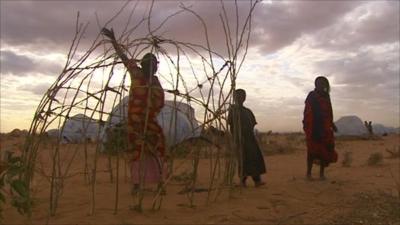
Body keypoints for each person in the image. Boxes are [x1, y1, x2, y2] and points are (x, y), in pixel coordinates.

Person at [102, 28, 166, 191]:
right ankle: (137, 184)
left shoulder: (156, 81)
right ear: (143, 65)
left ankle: (159, 182)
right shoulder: (136, 73)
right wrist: (113, 40)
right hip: (135, 122)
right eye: (150, 64)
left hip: (149, 121)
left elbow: (160, 102)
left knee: (157, 147)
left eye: (155, 65)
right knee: (136, 151)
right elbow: (123, 57)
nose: (153, 68)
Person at [228, 89, 266, 187]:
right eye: (239, 96)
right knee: (243, 159)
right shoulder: (233, 110)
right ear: (235, 98)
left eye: (243, 96)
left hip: (250, 138)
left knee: (255, 158)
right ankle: (242, 181)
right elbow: (232, 125)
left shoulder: (247, 111)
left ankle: (257, 180)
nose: (242, 98)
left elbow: (252, 124)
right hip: (240, 138)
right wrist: (237, 137)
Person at [303, 76, 338, 180]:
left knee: (325, 150)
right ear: (316, 84)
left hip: (326, 128)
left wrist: (332, 124)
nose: (322, 86)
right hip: (313, 127)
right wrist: (308, 126)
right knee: (311, 151)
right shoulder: (311, 96)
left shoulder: (327, 96)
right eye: (320, 84)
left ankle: (321, 174)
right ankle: (308, 174)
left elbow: (330, 112)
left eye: (324, 84)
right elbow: (307, 112)